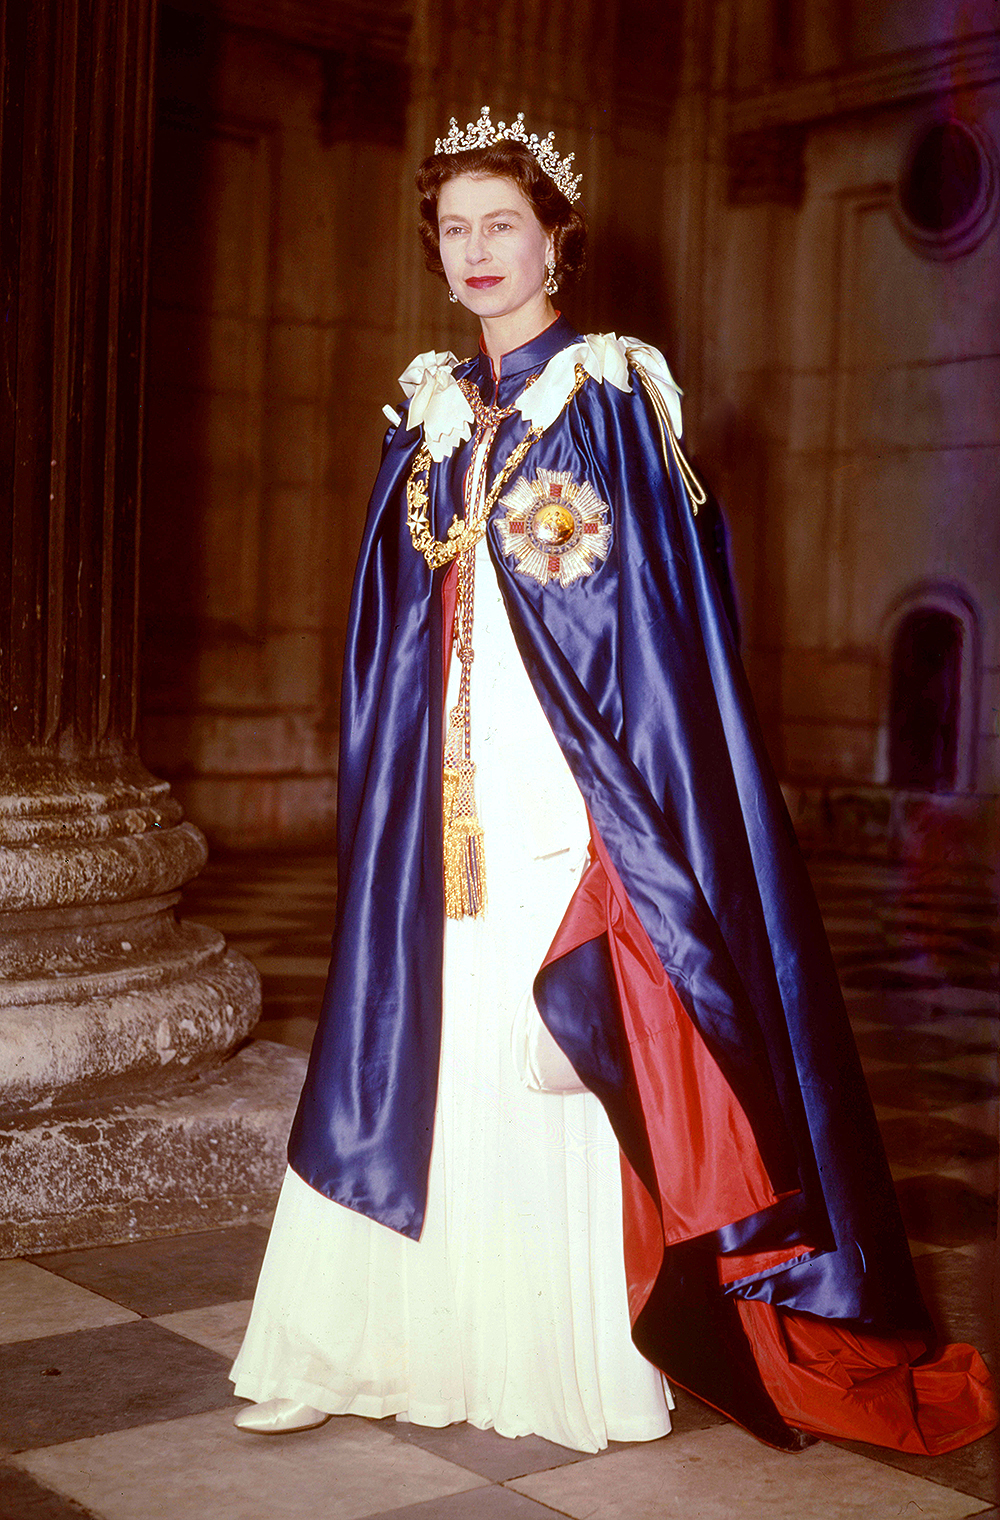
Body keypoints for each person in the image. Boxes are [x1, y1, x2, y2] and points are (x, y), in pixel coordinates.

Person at [231, 108, 995, 1456]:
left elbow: (654, 633)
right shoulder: (428, 408)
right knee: (424, 1030)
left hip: (571, 785)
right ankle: (367, 1340)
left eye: (501, 226)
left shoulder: (612, 399)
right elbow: (392, 623)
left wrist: (616, 808)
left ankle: (569, 1363)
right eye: (455, 229)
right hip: (442, 793)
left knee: (555, 1045)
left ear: (553, 241)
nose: (477, 252)